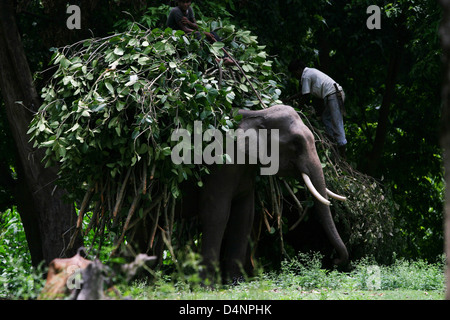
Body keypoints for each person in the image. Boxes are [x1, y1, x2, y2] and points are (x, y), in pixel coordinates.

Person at [288, 59, 347, 157]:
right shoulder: (309, 72)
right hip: (332, 94)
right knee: (326, 119)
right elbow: (303, 93)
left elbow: (305, 95)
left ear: (299, 69)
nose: (295, 76)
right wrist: (289, 99)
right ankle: (332, 143)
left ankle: (342, 151)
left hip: (333, 94)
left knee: (337, 123)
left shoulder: (306, 75)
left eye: (294, 73)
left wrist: (298, 111)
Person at [167, 0, 233, 65]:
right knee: (199, 36)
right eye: (183, 2)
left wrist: (189, 22)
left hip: (189, 34)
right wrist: (204, 33)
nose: (185, 4)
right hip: (177, 36)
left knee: (213, 34)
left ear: (190, 2)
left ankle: (225, 57)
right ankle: (214, 58)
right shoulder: (175, 11)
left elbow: (195, 26)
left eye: (187, 2)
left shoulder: (189, 9)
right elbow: (184, 29)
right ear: (178, 2)